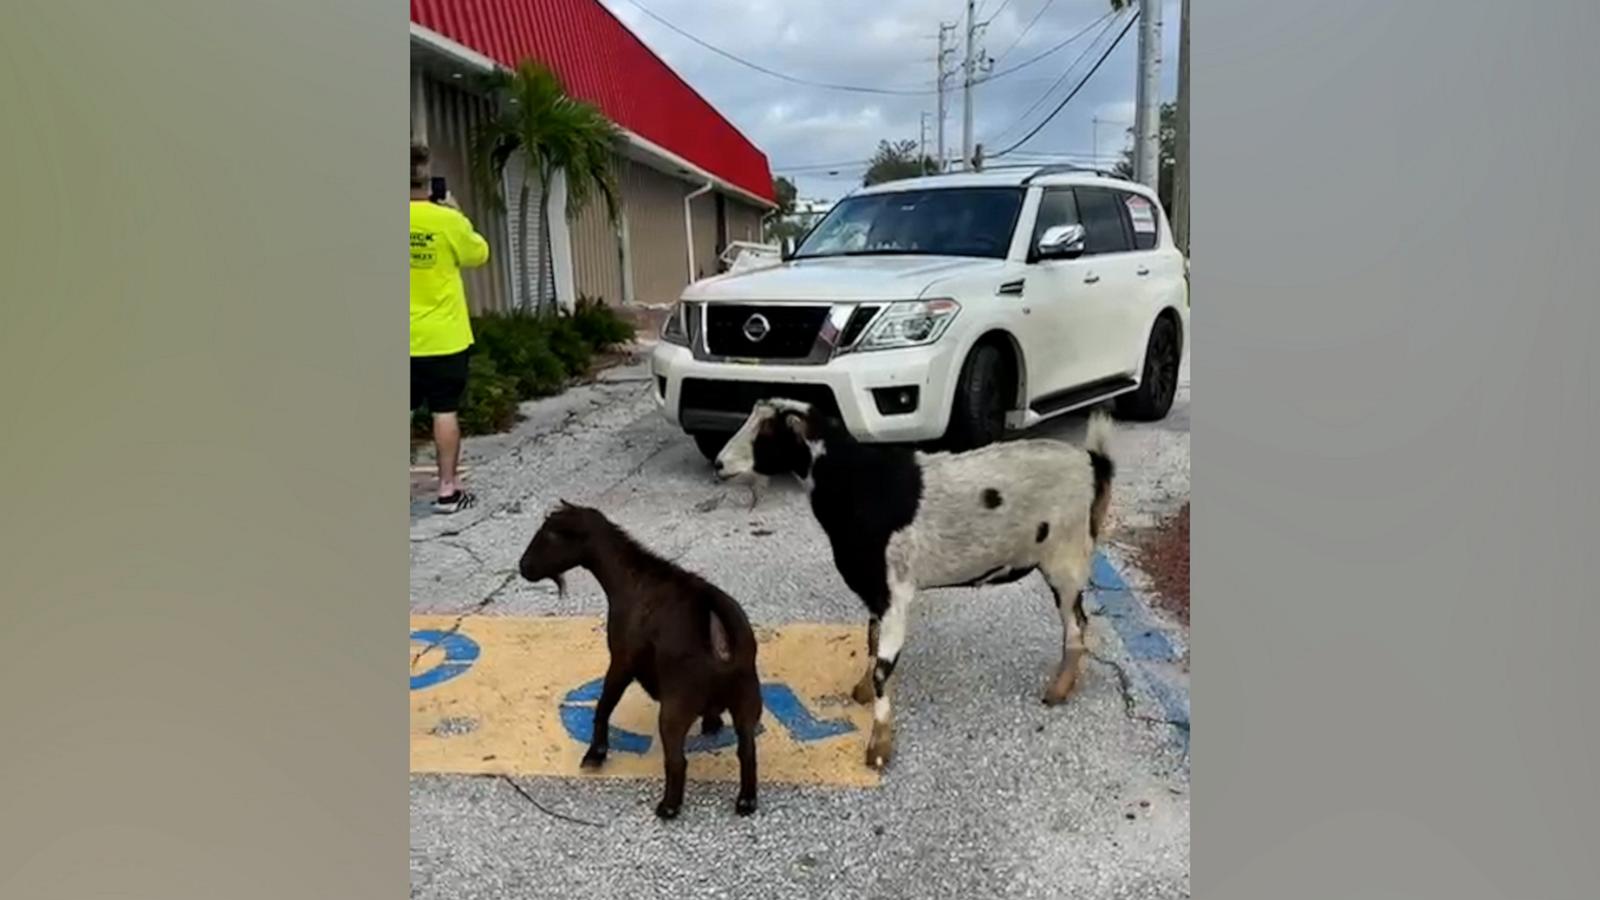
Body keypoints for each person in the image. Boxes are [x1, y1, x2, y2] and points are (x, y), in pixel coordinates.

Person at [410, 141, 489, 514]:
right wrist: (458, 214)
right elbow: (478, 254)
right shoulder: (448, 221)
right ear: (427, 178)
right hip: (444, 338)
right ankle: (447, 491)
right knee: (444, 410)